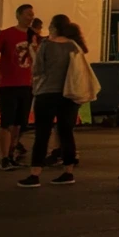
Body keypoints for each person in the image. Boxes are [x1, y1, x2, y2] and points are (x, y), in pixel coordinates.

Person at [16, 15, 87, 188]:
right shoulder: (74, 46)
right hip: (69, 95)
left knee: (42, 134)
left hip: (47, 93)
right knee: (66, 133)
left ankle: (35, 174)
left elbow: (38, 69)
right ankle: (68, 172)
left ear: (54, 27)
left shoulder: (47, 45)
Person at [0, 4, 35, 171]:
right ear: (18, 15)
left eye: (32, 14)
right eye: (27, 14)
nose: (30, 17)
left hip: (27, 85)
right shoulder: (5, 34)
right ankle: (5, 157)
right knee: (7, 122)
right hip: (8, 85)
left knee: (20, 123)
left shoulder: (33, 36)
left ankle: (12, 152)